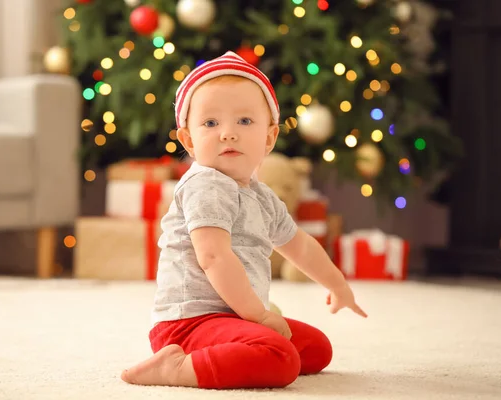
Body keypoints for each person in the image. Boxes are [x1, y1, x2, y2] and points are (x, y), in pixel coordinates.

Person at [121, 51, 367, 389]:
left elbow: (300, 246)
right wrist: (259, 316)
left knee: (316, 350)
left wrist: (336, 284)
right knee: (281, 359)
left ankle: (239, 347)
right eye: (210, 123)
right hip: (188, 324)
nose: (228, 133)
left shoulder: (261, 196)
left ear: (269, 138)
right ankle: (176, 367)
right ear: (189, 140)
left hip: (233, 316)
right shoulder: (206, 184)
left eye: (245, 121)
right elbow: (213, 257)